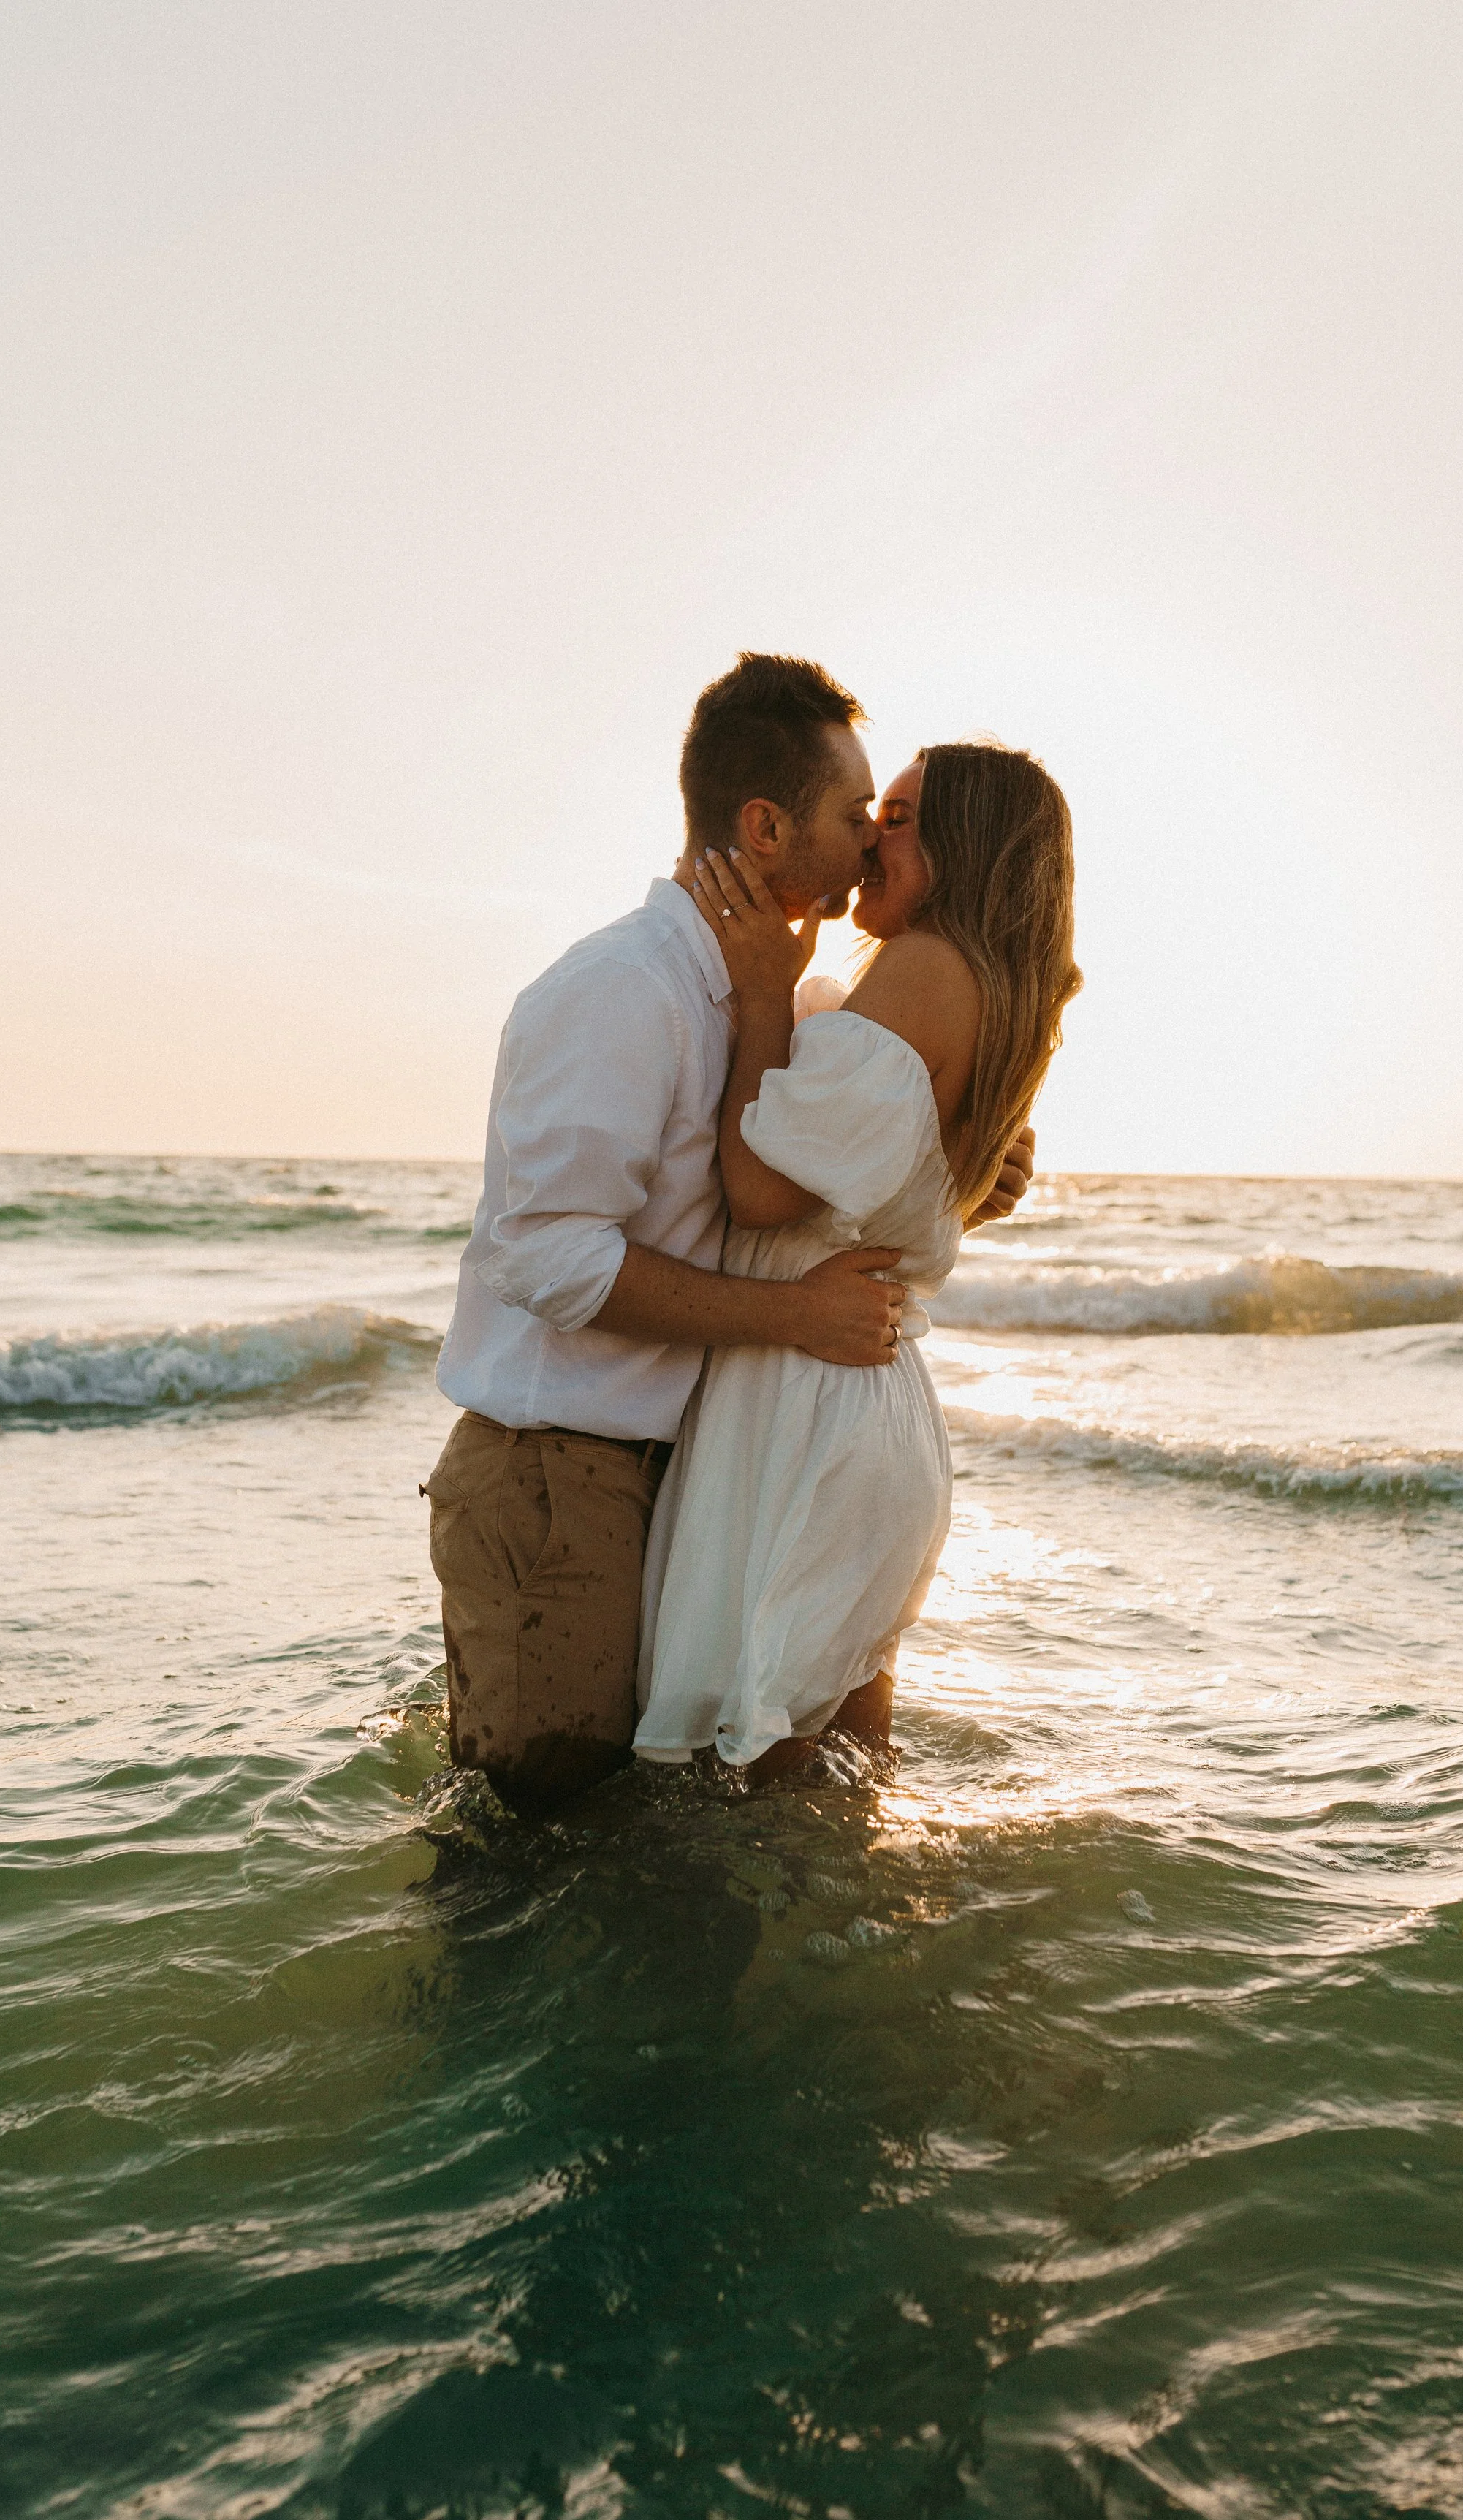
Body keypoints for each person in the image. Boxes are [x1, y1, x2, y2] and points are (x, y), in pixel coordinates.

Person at [424, 655, 1034, 1811]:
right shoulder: (621, 990)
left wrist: (964, 1163)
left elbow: (836, 1158)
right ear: (765, 827)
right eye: (856, 816)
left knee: (652, 1844)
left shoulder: (786, 994)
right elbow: (545, 1253)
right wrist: (795, 1316)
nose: (869, 841)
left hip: (678, 1467)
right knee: (536, 1837)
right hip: (561, 1471)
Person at [634, 740, 1080, 1780]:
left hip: (810, 1407)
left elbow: (757, 1188)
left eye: (902, 818)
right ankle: (860, 1945)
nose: (873, 838)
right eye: (874, 813)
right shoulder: (987, 993)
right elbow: (907, 1190)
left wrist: (756, 996)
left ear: (965, 847)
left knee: (755, 1780)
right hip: (865, 1405)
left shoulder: (927, 969)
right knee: (838, 1769)